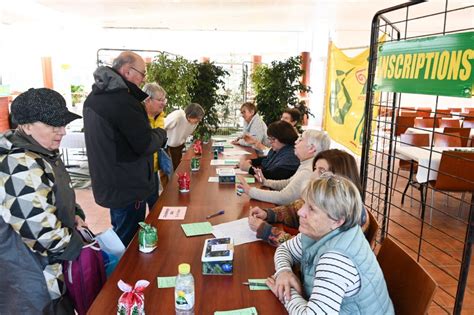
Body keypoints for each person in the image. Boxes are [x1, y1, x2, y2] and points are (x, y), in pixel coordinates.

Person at [0, 88, 87, 314]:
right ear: (26, 125)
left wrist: (74, 213)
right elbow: (42, 232)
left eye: (63, 124)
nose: (62, 132)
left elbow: (53, 195)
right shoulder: (19, 163)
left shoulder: (41, 153)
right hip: (31, 281)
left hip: (48, 273)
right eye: (52, 125)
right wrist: (82, 247)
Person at [267, 174, 394, 314]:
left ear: (337, 221)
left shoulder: (336, 259)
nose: (300, 211)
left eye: (312, 209)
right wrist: (284, 271)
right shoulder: (322, 231)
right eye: (304, 203)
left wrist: (286, 291)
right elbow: (285, 249)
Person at [83, 51, 167, 246]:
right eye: (142, 73)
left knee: (120, 230)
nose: (143, 79)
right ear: (127, 71)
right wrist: (161, 134)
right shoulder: (123, 101)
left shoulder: (95, 97)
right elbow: (144, 143)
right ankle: (121, 276)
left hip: (110, 182)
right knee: (127, 242)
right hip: (128, 185)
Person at [249, 149, 369, 246]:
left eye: (321, 171)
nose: (312, 175)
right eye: (315, 169)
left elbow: (305, 252)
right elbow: (295, 208)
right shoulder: (331, 199)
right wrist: (268, 214)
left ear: (339, 177)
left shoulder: (342, 213)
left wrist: (266, 231)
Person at [237, 130, 330, 205]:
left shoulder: (309, 170)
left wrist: (250, 191)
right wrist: (266, 182)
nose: (296, 142)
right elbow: (289, 182)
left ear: (311, 148)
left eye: (300, 139)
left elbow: (284, 197)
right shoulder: (307, 163)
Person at [142, 83, 167, 208]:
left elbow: (160, 140)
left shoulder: (159, 115)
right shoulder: (139, 117)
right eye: (160, 100)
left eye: (164, 100)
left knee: (155, 203)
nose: (163, 103)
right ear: (147, 99)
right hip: (140, 172)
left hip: (154, 168)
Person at [164, 103, 205, 170]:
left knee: (177, 169)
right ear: (190, 115)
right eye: (198, 118)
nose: (199, 120)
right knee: (166, 170)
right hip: (166, 146)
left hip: (178, 146)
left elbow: (186, 131)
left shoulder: (195, 123)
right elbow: (162, 126)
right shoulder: (177, 116)